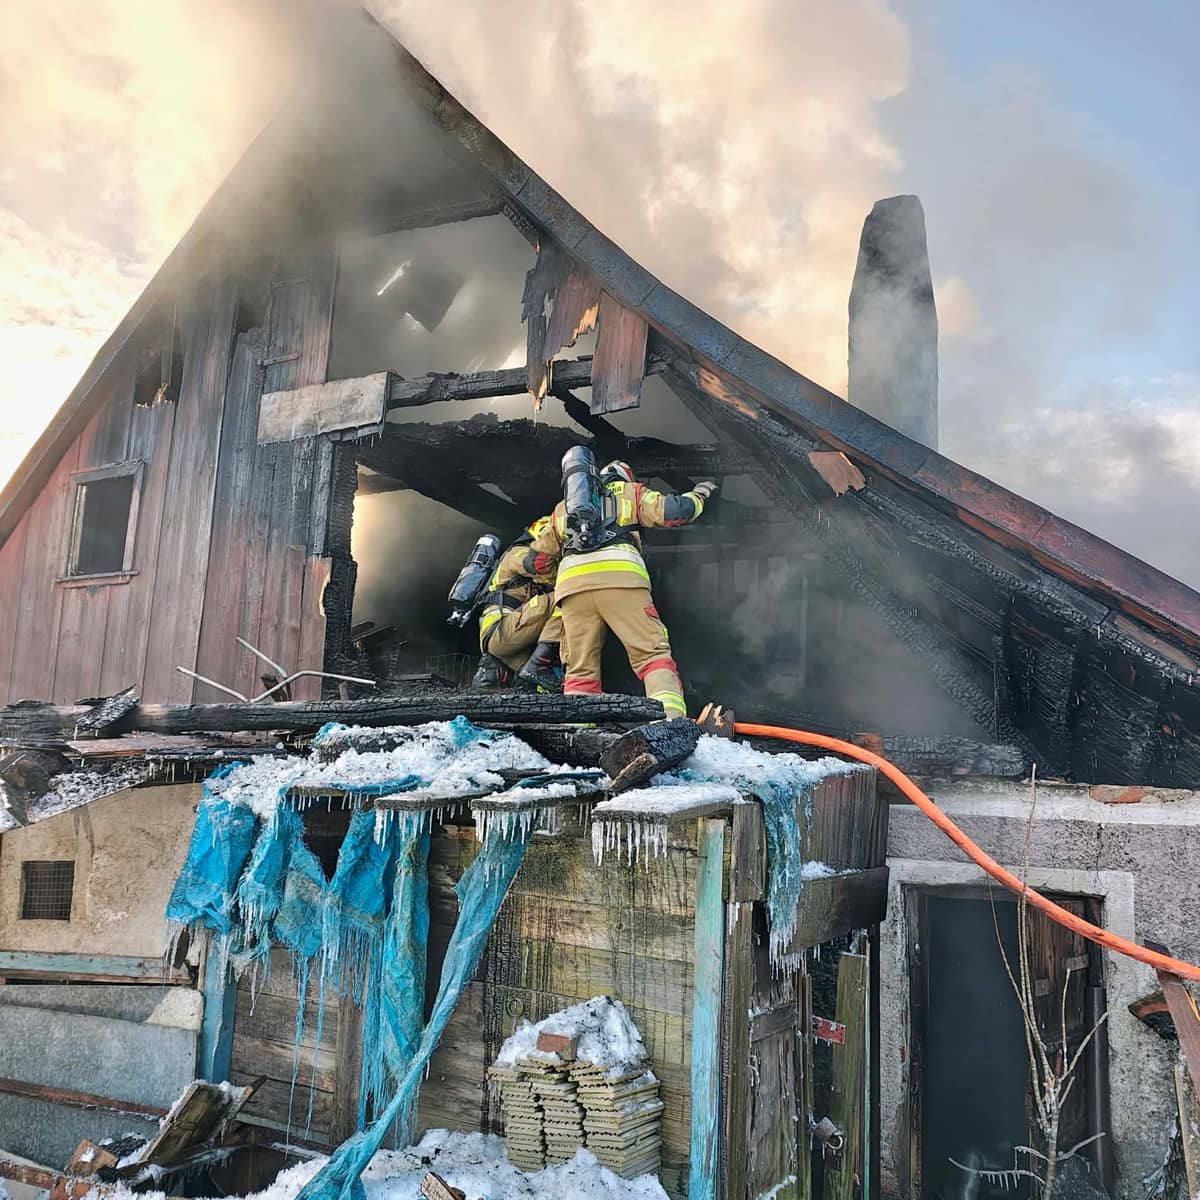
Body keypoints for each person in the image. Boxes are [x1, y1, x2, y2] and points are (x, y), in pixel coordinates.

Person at [530, 454, 717, 716]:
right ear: (624, 477)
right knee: (652, 657)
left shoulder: (564, 508)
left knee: (580, 671)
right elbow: (676, 512)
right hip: (621, 580)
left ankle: (578, 733)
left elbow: (537, 559)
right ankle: (671, 724)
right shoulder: (630, 492)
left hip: (572, 589)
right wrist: (701, 494)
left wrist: (560, 580)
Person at [471, 516, 565, 692]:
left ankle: (538, 669)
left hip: (511, 643)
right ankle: (539, 663)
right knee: (567, 596)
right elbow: (535, 564)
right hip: (501, 632)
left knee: (542, 687)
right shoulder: (517, 553)